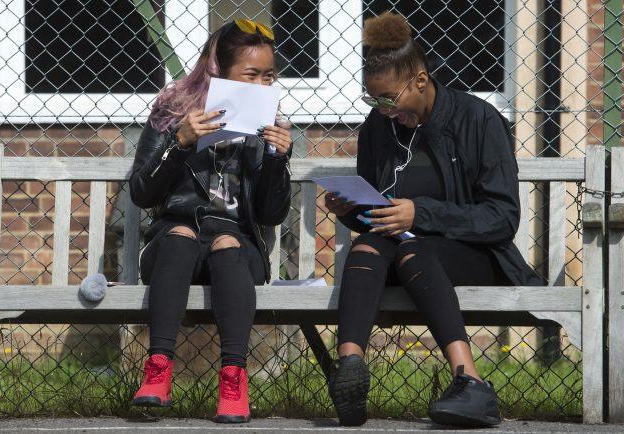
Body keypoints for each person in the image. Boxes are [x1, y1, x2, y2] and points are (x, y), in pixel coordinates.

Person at [324, 12, 540, 428]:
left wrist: (420, 212)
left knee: (412, 244)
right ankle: (349, 367)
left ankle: (470, 379)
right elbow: (379, 216)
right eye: (374, 101)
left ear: (420, 81)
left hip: (475, 255)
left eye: (390, 99)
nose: (385, 111)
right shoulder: (377, 128)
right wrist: (354, 210)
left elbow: (502, 217)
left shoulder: (477, 119)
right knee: (366, 244)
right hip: (402, 254)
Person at [128, 19, 292, 424]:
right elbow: (142, 193)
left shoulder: (269, 126)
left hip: (237, 248)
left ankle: (234, 380)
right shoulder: (171, 114)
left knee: (227, 245)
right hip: (173, 245)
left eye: (268, 76)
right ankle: (158, 371)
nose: (261, 85)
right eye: (251, 75)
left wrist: (276, 158)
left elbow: (271, 215)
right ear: (219, 71)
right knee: (182, 233)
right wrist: (179, 143)